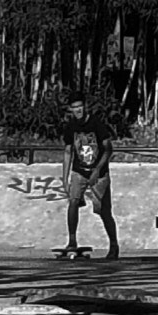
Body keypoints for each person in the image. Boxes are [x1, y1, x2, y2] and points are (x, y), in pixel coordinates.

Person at [58, 93, 118, 260]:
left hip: (99, 172)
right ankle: (72, 240)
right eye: (74, 108)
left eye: (80, 107)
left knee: (103, 210)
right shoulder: (70, 126)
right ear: (71, 110)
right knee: (73, 201)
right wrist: (65, 178)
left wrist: (98, 170)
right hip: (79, 171)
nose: (77, 110)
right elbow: (68, 151)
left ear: (85, 107)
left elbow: (108, 149)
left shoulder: (96, 124)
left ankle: (113, 244)